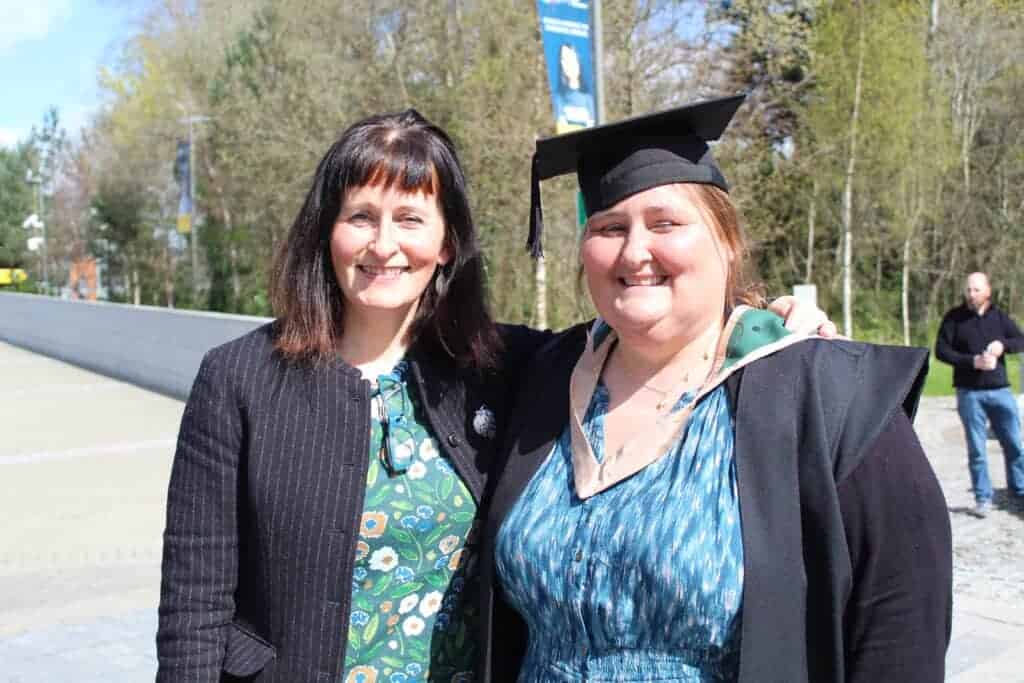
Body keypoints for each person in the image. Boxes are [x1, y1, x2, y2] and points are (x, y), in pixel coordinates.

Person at [155, 108, 831, 682]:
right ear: (327, 231)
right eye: (360, 216)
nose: (383, 244)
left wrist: (763, 319)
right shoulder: (241, 379)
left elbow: (651, 322)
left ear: (447, 243)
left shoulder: (504, 367)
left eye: (410, 218)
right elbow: (194, 604)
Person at [481, 95, 952, 683]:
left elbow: (899, 631)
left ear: (727, 241)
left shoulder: (829, 397)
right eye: (608, 227)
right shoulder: (541, 380)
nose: (634, 250)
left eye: (665, 223)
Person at [936, 271, 1024, 518]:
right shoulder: (954, 318)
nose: (971, 294)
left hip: (1000, 390)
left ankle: (1019, 491)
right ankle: (982, 498)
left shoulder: (999, 317)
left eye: (976, 290)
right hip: (969, 393)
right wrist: (971, 361)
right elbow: (941, 350)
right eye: (968, 290)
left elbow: (1020, 340)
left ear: (988, 291)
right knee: (977, 449)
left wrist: (1003, 346)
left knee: (1014, 444)